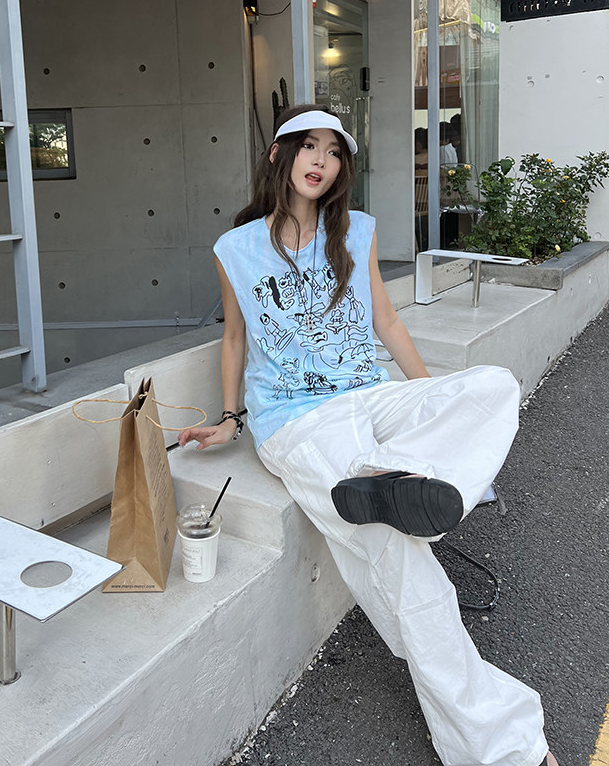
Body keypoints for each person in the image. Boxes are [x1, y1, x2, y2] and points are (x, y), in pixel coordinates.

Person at [179, 105, 558, 766]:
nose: (321, 162)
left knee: (491, 386)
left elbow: (387, 322)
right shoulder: (235, 248)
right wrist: (231, 418)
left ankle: (398, 480)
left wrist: (427, 403)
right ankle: (507, 748)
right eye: (309, 146)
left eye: (333, 152)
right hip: (295, 421)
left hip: (368, 395)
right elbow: (234, 337)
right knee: (414, 582)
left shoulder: (355, 230)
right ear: (278, 155)